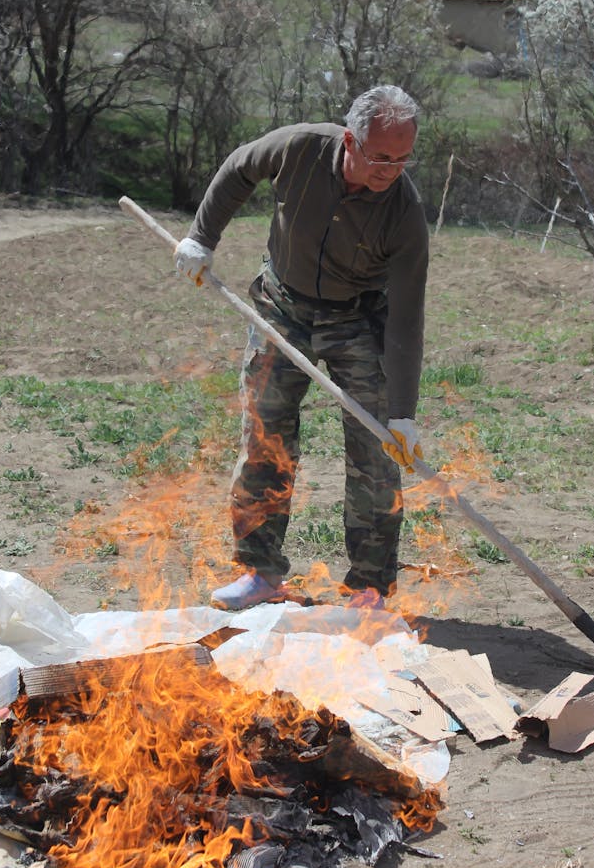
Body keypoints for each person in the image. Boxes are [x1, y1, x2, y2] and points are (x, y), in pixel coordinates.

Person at [175, 84, 429, 610]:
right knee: (265, 436)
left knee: (375, 455)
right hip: (280, 306)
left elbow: (407, 316)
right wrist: (202, 237)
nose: (390, 170)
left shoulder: (404, 213)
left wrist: (401, 415)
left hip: (359, 318)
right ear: (349, 141)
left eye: (402, 159)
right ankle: (260, 574)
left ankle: (369, 589)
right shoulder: (300, 148)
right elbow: (238, 168)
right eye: (380, 157)